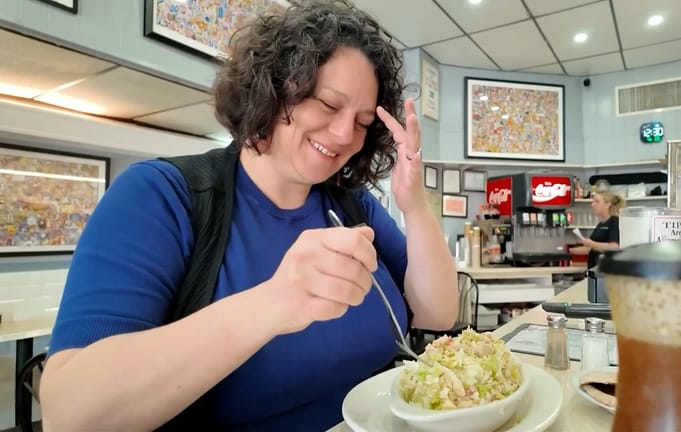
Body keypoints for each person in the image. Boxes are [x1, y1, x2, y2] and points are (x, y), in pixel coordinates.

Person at [38, 1, 458, 431]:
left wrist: (414, 202)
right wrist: (274, 302)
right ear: (274, 88)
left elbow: (436, 314)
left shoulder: (352, 206)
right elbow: (70, 415)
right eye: (329, 105)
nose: (344, 134)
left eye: (363, 122)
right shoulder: (161, 196)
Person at [570, 190, 626, 269]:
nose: (593, 205)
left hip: (607, 270)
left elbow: (614, 247)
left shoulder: (614, 221)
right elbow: (590, 249)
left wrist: (591, 243)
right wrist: (569, 251)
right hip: (596, 268)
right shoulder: (601, 224)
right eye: (593, 202)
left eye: (597, 202)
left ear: (607, 204)